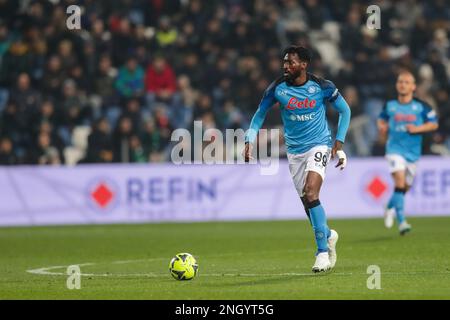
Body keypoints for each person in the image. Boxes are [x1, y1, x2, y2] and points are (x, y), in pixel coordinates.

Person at [243, 46, 351, 273]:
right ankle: (329, 235)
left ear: (303, 64)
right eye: (284, 62)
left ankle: (321, 252)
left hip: (319, 145)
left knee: (312, 193)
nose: (286, 66)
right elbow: (259, 114)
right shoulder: (277, 88)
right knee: (307, 204)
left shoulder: (322, 87)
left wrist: (338, 142)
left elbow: (345, 110)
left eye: (291, 62)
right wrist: (249, 140)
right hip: (295, 152)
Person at [377, 71, 439, 235]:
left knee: (404, 188)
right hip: (394, 150)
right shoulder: (390, 105)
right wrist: (382, 126)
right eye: (400, 82)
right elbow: (381, 118)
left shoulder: (422, 106)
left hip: (412, 153)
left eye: (406, 82)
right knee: (399, 182)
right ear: (397, 85)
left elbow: (433, 124)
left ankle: (388, 206)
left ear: (413, 86)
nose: (402, 84)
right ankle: (402, 222)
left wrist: (418, 129)